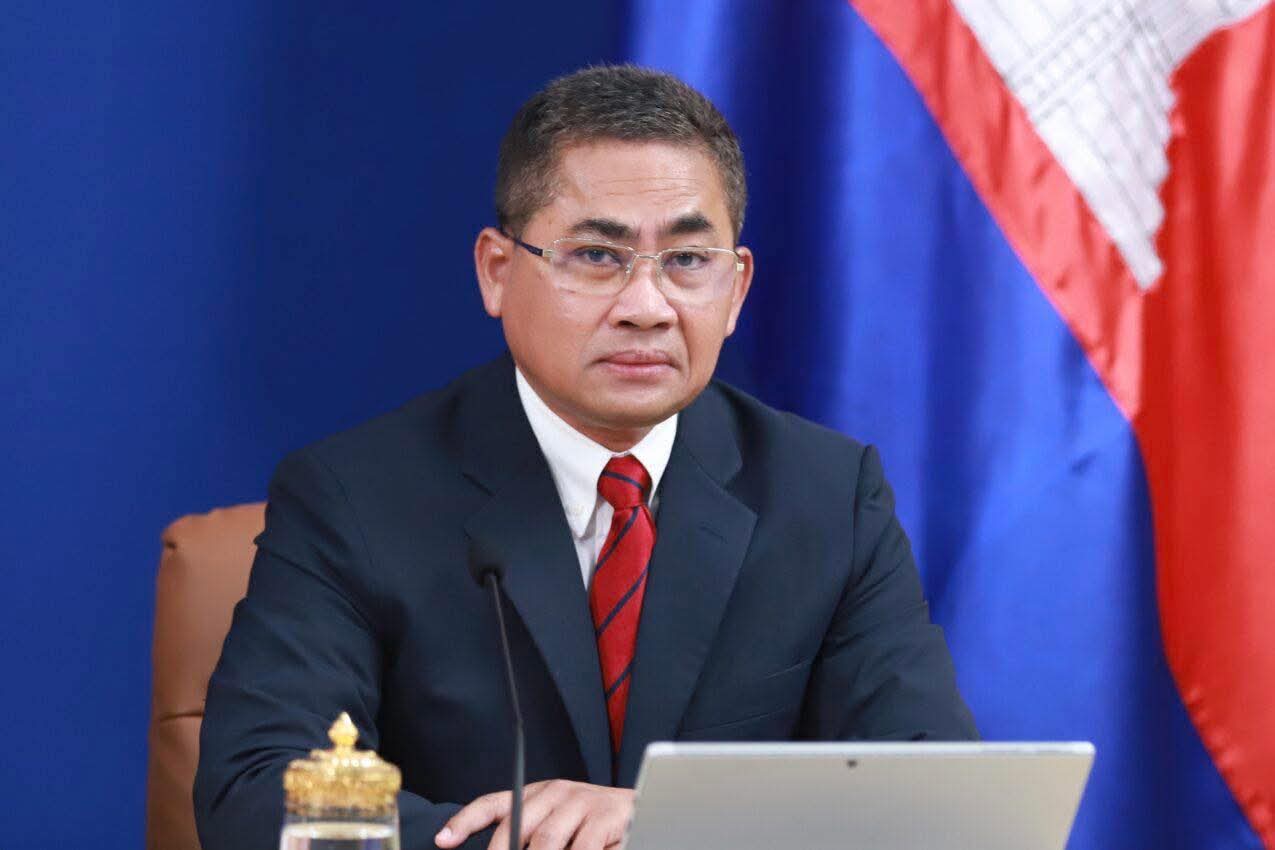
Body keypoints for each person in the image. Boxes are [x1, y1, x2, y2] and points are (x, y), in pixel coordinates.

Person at [193, 64, 977, 850]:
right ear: (497, 272)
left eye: (687, 260)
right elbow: (257, 794)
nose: (646, 307)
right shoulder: (353, 496)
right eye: (598, 256)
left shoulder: (827, 496)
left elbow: (934, 799)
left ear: (736, 288)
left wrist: (663, 826)